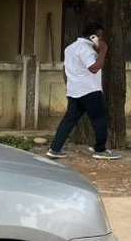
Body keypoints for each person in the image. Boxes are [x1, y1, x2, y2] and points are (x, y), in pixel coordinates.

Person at [47, 22, 122, 160]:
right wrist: (103, 50)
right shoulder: (86, 49)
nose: (101, 39)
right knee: (100, 119)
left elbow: (67, 68)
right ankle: (100, 150)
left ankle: (54, 149)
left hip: (74, 90)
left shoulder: (70, 48)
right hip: (90, 90)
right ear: (94, 36)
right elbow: (94, 68)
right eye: (100, 37)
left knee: (69, 120)